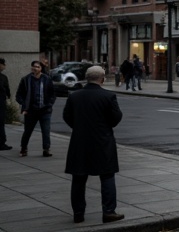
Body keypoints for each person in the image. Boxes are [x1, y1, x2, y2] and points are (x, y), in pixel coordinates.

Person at [63, 66, 124, 224]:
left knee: (78, 178)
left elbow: (67, 116)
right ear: (102, 79)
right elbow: (116, 118)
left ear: (87, 77)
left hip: (79, 141)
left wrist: (79, 128)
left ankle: (78, 213)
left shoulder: (74, 96)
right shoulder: (108, 96)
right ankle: (109, 211)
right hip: (103, 141)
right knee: (107, 175)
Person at [15, 59, 55, 157]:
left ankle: (46, 149)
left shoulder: (46, 79)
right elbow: (19, 95)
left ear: (41, 68)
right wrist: (24, 106)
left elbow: (52, 94)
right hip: (30, 110)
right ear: (31, 67)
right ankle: (23, 148)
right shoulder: (26, 79)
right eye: (34, 66)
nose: (35, 68)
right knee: (28, 131)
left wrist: (49, 104)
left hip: (45, 110)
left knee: (46, 130)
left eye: (38, 67)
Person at [0, 58, 11, 151]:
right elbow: (6, 90)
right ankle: (1, 142)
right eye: (3, 64)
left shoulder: (3, 77)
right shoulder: (3, 77)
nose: (4, 66)